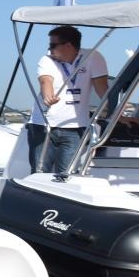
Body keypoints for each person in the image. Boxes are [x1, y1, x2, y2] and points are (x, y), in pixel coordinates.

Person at [26, 25, 110, 175]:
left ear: (68, 45)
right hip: (43, 126)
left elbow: (102, 90)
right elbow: (46, 81)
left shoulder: (93, 57)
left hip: (76, 128)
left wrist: (118, 115)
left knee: (66, 174)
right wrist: (48, 96)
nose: (49, 49)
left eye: (53, 45)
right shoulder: (46, 60)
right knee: (39, 174)